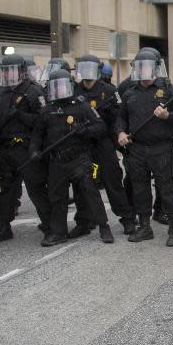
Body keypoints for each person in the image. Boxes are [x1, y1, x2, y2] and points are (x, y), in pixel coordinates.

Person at [31, 69, 114, 246]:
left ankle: (103, 227)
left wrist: (84, 130)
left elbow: (101, 128)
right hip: (57, 160)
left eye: (62, 86)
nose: (59, 90)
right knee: (57, 197)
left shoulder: (82, 106)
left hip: (79, 158)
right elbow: (37, 136)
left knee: (90, 193)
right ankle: (58, 232)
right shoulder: (47, 110)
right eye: (56, 87)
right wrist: (34, 151)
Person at [115, 50, 173, 246]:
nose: (143, 71)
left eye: (147, 66)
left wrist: (167, 116)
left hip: (161, 149)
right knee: (140, 189)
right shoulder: (129, 92)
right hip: (137, 150)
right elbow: (121, 117)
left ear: (155, 68)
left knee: (166, 190)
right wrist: (120, 132)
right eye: (140, 66)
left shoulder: (168, 89)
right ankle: (145, 226)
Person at [0, 54, 51, 244]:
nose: (9, 74)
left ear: (22, 71)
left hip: (26, 147)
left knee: (36, 189)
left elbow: (43, 121)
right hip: (6, 149)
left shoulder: (34, 91)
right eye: (6, 71)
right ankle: (4, 227)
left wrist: (20, 114)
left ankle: (50, 226)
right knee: (6, 190)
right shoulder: (0, 94)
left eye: (13, 70)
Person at [72, 53, 136, 236]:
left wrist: (118, 136)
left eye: (90, 70)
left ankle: (127, 219)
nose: (87, 75)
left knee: (112, 180)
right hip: (82, 144)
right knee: (82, 184)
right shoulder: (74, 90)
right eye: (83, 70)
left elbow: (119, 118)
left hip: (103, 141)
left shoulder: (108, 90)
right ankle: (84, 221)